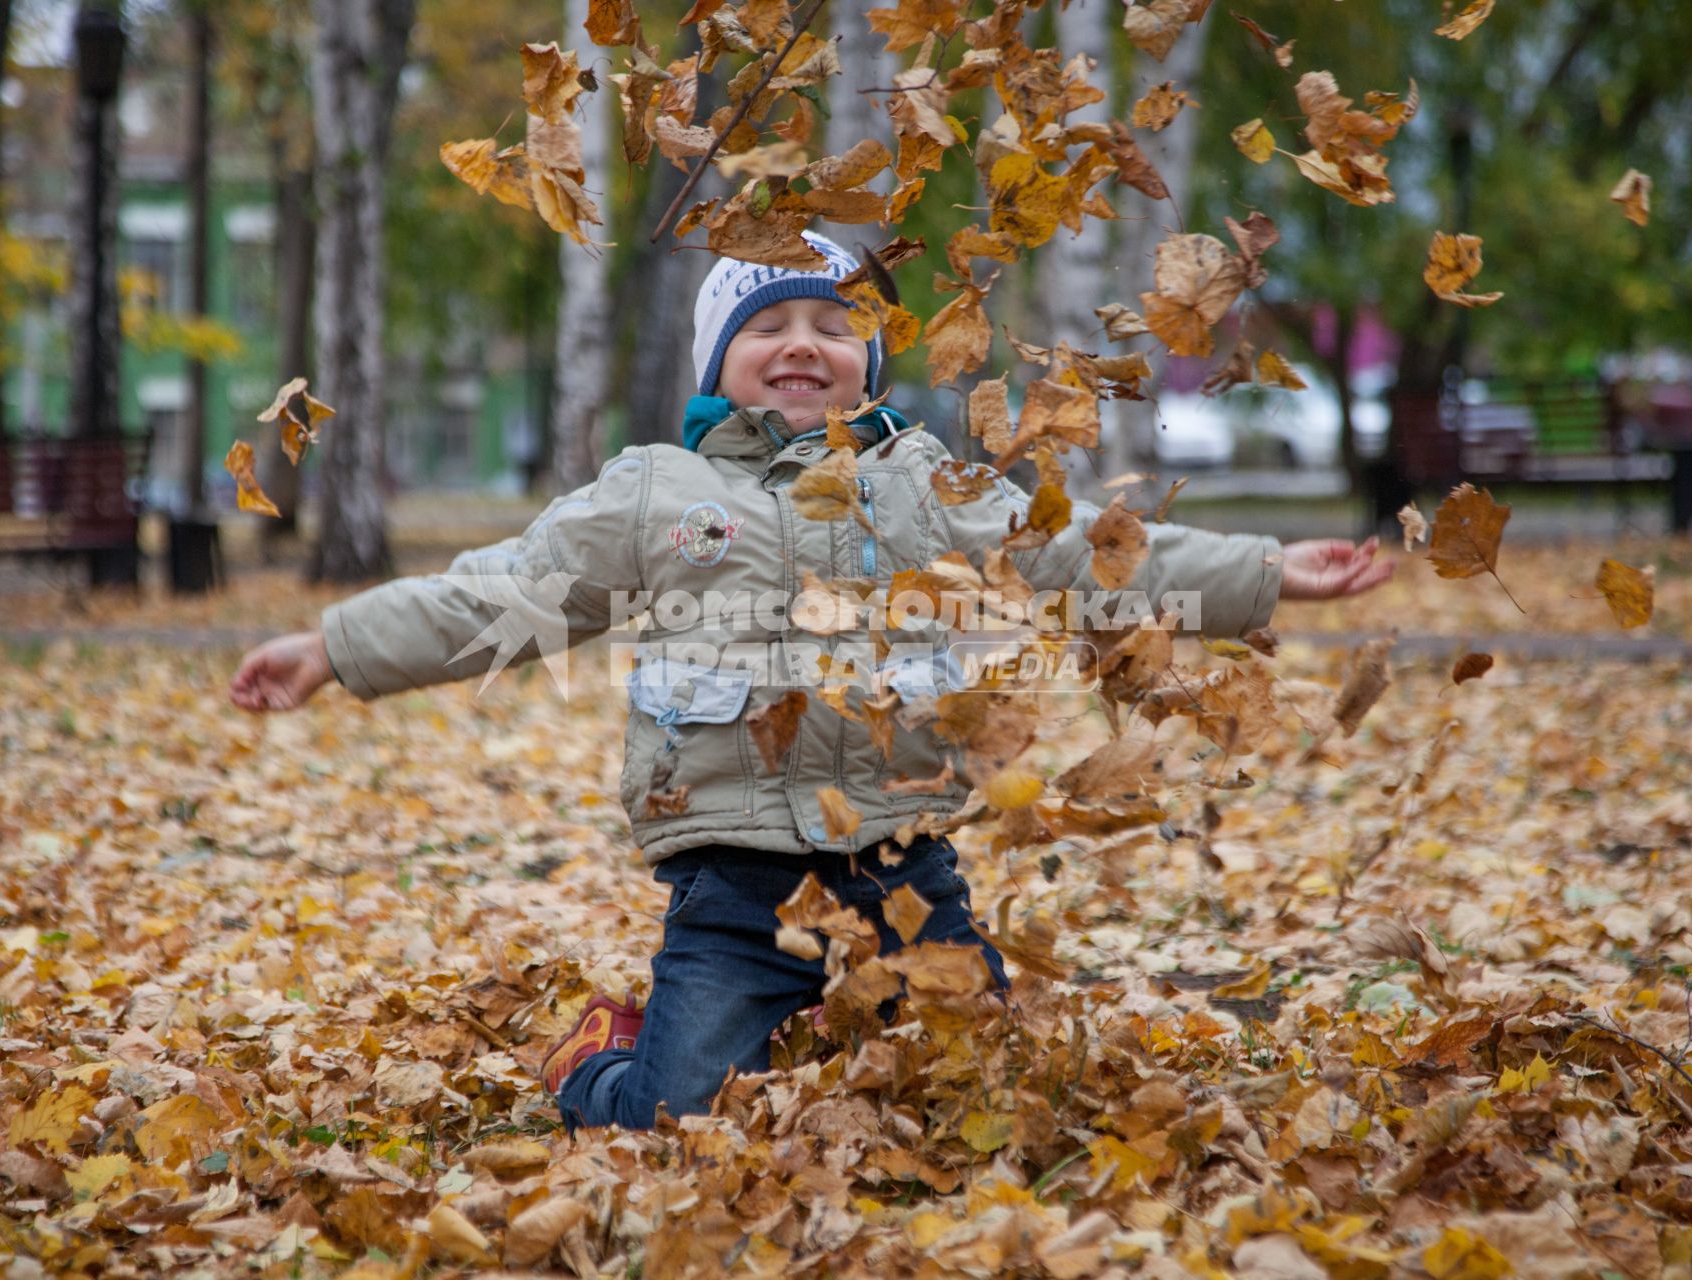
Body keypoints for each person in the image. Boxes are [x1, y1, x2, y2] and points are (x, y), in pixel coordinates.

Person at [229, 231, 1393, 1131]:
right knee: (681, 1116)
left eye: (831, 325)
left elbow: (1072, 547)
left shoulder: (924, 480)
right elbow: (498, 594)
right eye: (767, 323)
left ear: (869, 361)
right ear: (718, 362)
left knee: (978, 1094)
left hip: (902, 869)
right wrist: (335, 648)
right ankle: (598, 1057)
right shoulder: (659, 492)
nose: (801, 343)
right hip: (734, 882)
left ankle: (833, 1039)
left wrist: (1264, 570)